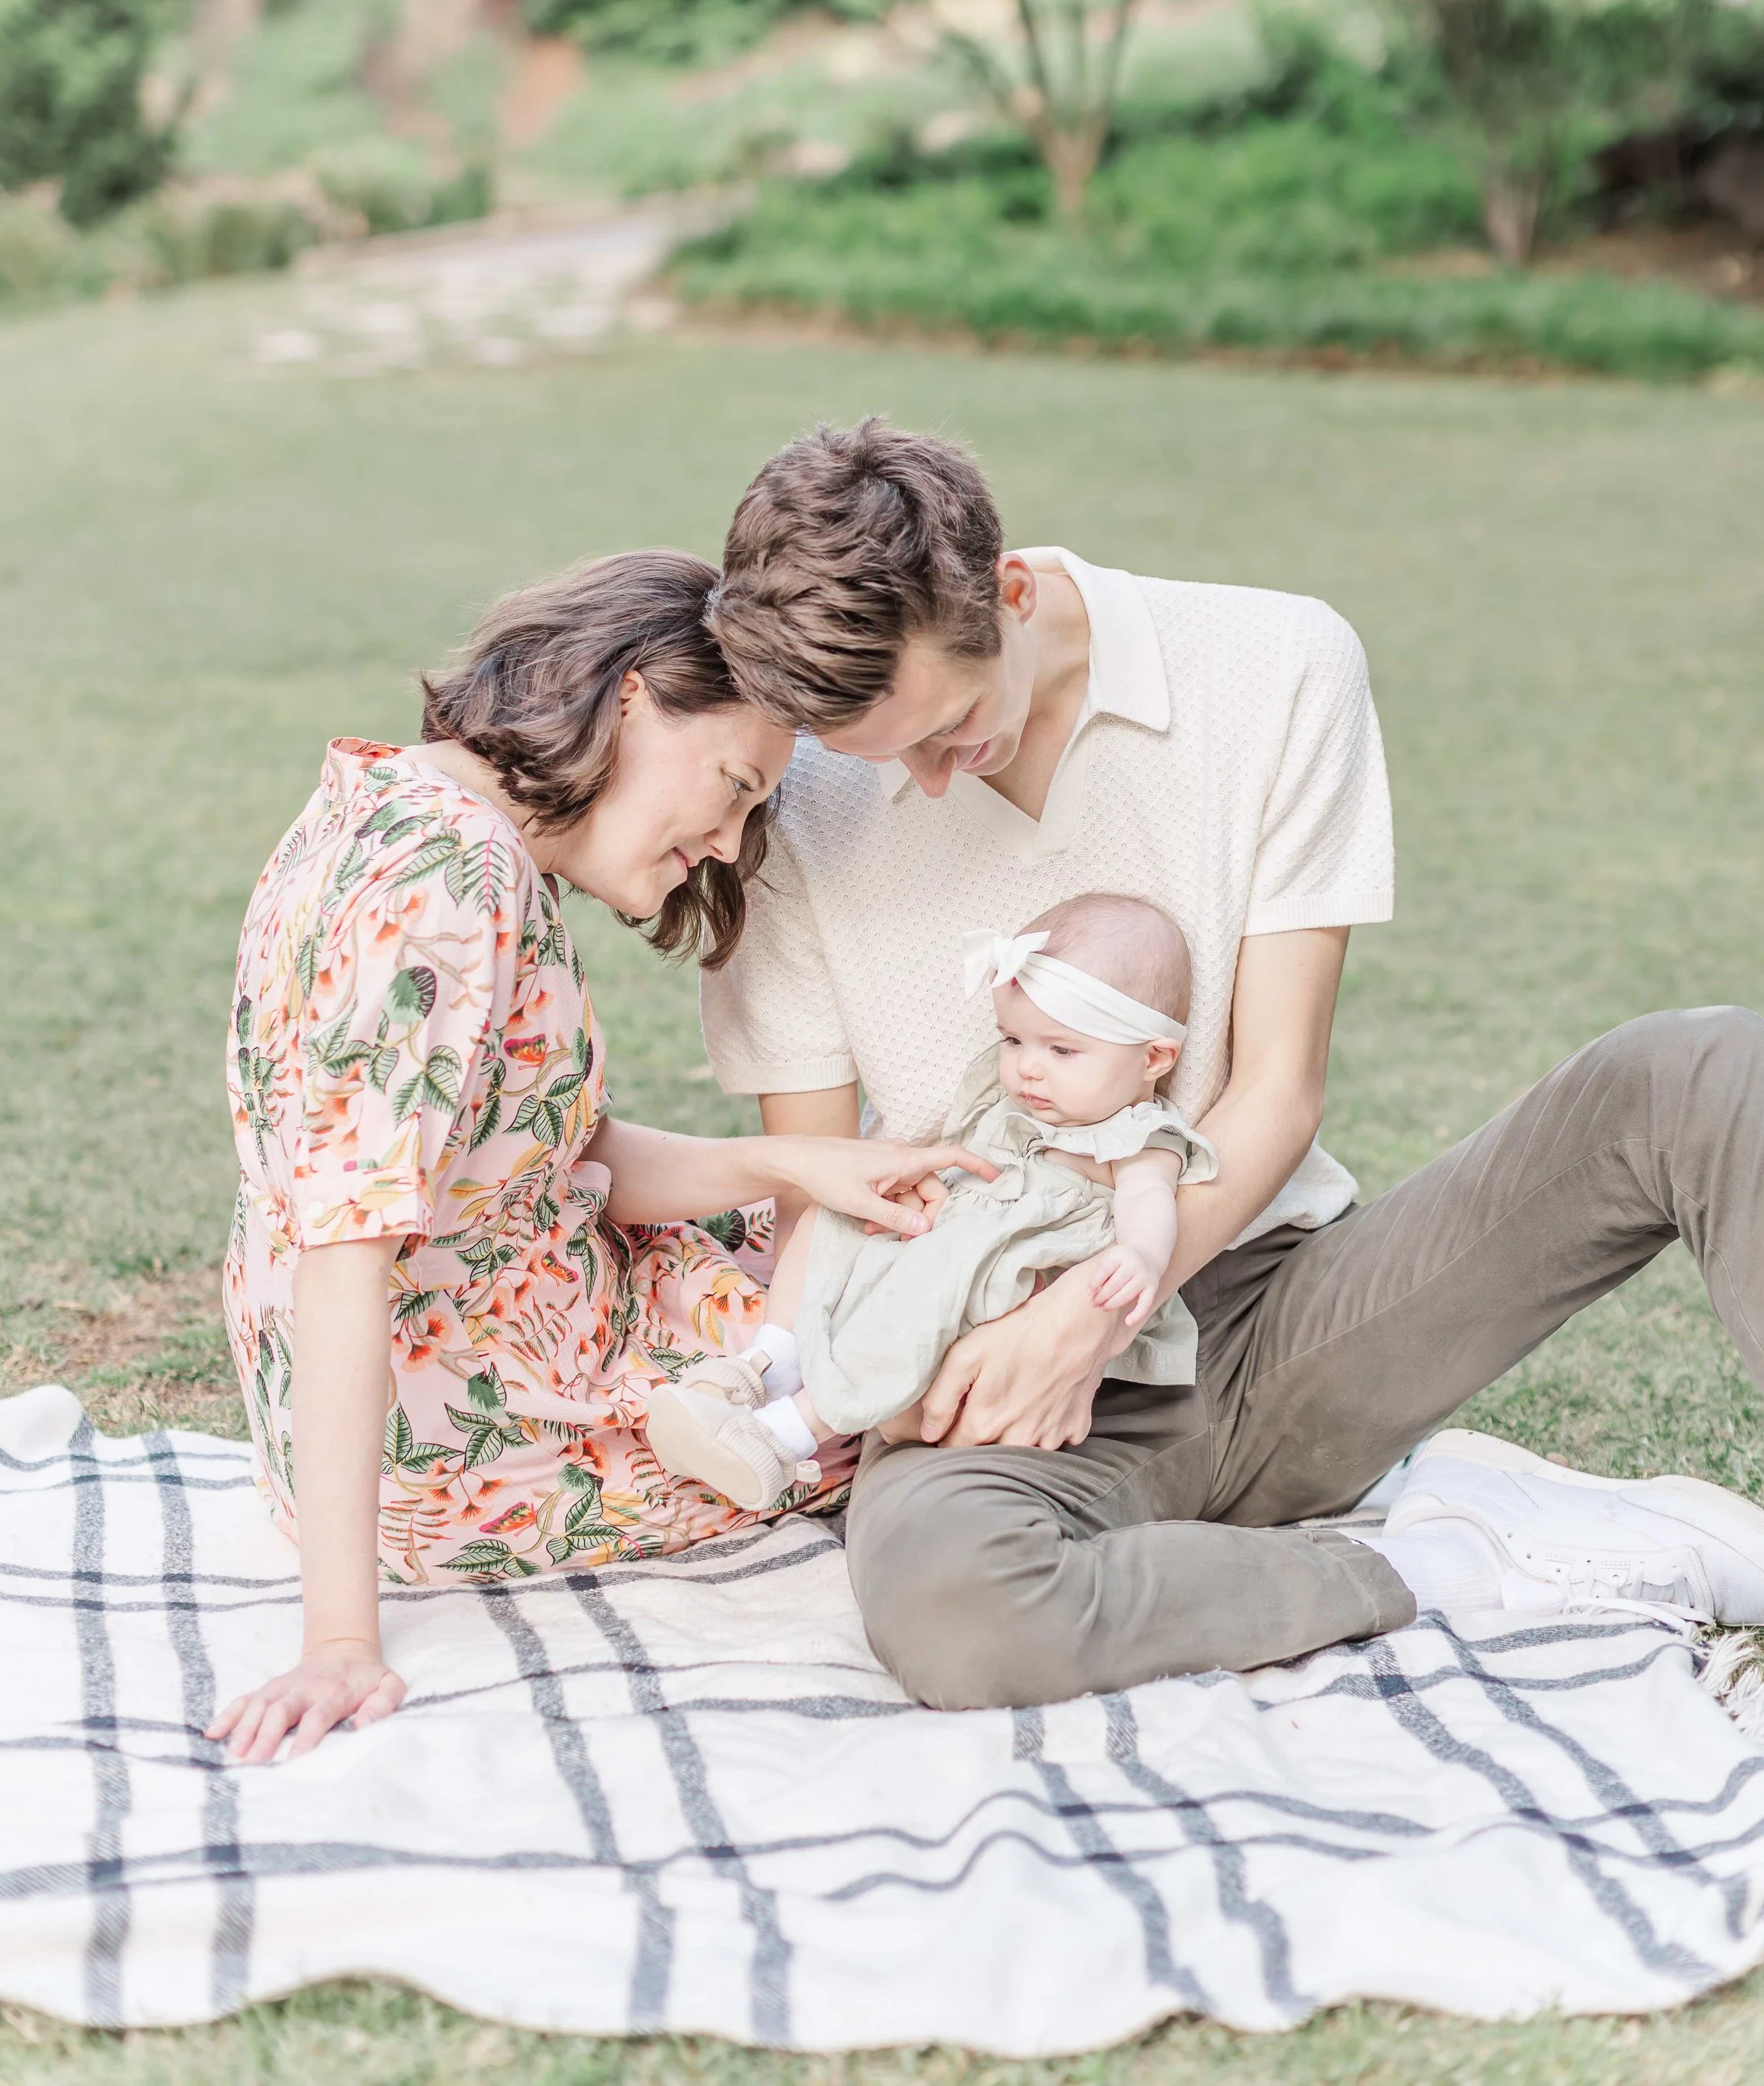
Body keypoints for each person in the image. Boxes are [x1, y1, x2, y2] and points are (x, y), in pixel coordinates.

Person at [701, 419, 1764, 1710]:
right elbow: (821, 1181)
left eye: (954, 727)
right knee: (954, 1613)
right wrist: (880, 1373)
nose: (925, 784)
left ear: (1012, 592)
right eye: (885, 755)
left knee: (1701, 1074)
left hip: (1276, 1309)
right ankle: (1449, 1564)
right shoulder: (802, 794)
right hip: (992, 1378)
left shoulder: (1276, 664)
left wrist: (1091, 1312)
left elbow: (1275, 1091)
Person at [209, 552, 989, 1765]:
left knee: (865, 1229)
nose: (728, 844)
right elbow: (344, 1256)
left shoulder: (400, 803)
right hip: (484, 1432)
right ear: (635, 694)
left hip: (493, 1339)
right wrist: (340, 1639)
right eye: (734, 787)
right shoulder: (451, 887)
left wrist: (794, 1166)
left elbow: (534, 1160)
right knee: (918, 1325)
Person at [646, 893, 1217, 1510]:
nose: (1028, 1068)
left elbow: (1149, 1199)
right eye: (1013, 1040)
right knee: (832, 1219)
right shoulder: (1020, 1102)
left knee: (924, 1299)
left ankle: (784, 1436)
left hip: (1014, 1274)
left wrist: (1141, 1254)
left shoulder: (1138, 1136)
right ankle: (769, 1363)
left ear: (1153, 1058)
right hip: (958, 1229)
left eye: (1061, 1050)